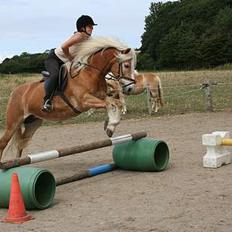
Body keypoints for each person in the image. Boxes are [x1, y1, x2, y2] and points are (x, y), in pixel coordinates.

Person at [42, 15, 97, 112]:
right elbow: (64, 47)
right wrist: (70, 59)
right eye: (90, 26)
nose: (92, 28)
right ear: (82, 28)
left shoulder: (88, 39)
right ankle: (47, 100)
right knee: (55, 75)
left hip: (65, 62)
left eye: (92, 27)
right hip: (54, 59)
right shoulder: (79, 35)